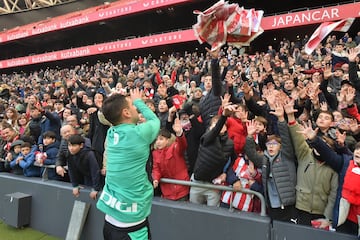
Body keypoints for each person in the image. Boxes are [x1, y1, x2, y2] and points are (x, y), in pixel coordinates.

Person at [96, 88, 160, 240]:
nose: (136, 108)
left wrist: (114, 99)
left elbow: (107, 114)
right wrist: (139, 100)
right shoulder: (139, 133)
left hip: (109, 221)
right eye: (133, 106)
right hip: (132, 228)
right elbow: (155, 120)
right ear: (126, 113)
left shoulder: (112, 133)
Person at [152, 124, 190, 201]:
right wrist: (155, 178)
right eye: (156, 140)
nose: (158, 142)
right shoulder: (155, 153)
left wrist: (179, 134)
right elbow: (156, 169)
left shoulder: (175, 147)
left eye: (161, 139)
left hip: (181, 190)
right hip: (167, 192)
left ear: (168, 140)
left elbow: (182, 145)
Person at [67, 134, 101, 200]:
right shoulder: (69, 155)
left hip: (98, 178)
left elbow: (95, 171)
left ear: (81, 145)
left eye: (74, 145)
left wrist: (96, 188)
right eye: (69, 145)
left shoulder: (89, 154)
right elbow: (71, 171)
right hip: (86, 177)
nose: (71, 148)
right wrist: (75, 185)